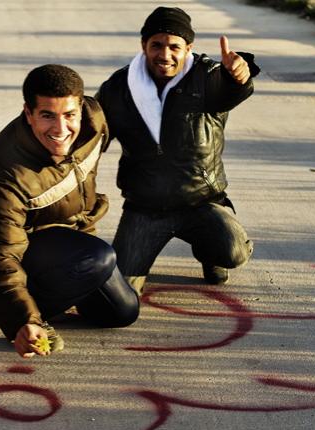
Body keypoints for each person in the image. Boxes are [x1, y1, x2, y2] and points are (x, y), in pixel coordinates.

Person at [0, 65, 140, 358]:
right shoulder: (7, 172)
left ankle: (66, 280)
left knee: (123, 312)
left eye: (69, 115)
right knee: (99, 257)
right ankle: (34, 307)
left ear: (82, 109)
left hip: (69, 239)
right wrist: (22, 320)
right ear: (28, 113)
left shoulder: (95, 122)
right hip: (26, 248)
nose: (61, 130)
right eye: (47, 115)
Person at [96, 6, 259, 294]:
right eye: (156, 45)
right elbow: (93, 138)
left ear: (189, 48)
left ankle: (210, 251)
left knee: (231, 251)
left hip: (201, 201)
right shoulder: (119, 87)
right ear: (144, 45)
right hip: (145, 208)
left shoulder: (206, 76)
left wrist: (238, 77)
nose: (165, 55)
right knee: (120, 293)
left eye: (175, 46)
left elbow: (228, 89)